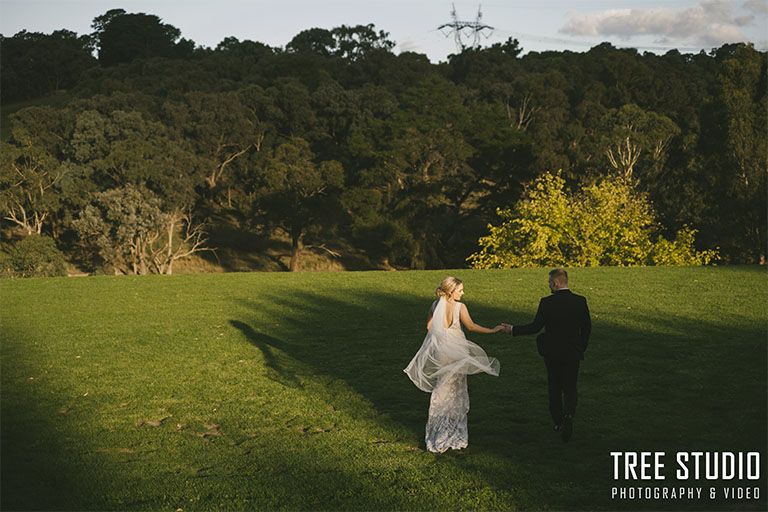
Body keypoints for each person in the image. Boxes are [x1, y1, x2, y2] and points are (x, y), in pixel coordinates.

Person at [404, 277, 504, 453]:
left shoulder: (435, 306)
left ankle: (437, 433)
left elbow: (429, 327)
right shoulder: (460, 307)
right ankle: (454, 433)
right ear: (451, 291)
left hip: (441, 351)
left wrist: (441, 334)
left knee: (441, 388)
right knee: (456, 391)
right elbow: (471, 327)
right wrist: (492, 330)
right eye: (460, 290)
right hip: (457, 351)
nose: (463, 293)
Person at [503, 268, 591, 443]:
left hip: (552, 352)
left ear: (555, 283)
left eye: (550, 283)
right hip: (573, 351)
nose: (549, 286)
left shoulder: (547, 302)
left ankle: (558, 421)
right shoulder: (580, 301)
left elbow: (535, 327)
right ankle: (569, 415)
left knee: (554, 386)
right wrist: (582, 347)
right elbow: (587, 327)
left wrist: (512, 330)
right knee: (571, 387)